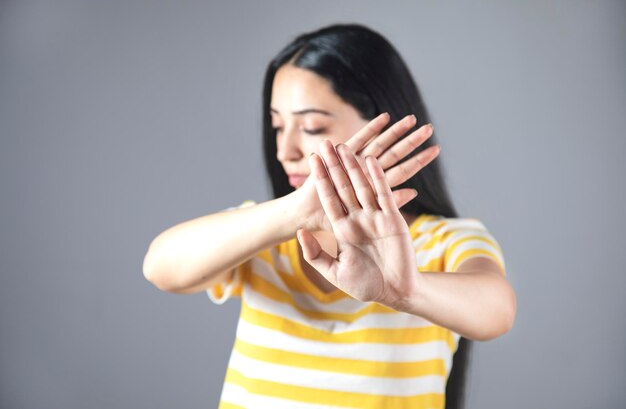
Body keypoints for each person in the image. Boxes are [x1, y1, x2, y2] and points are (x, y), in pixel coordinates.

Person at [143, 24, 516, 409]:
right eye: (277, 126)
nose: (284, 150)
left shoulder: (443, 240)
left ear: (380, 124)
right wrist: (296, 212)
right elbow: (159, 267)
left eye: (311, 127)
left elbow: (497, 310)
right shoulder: (263, 235)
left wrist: (406, 291)